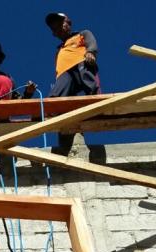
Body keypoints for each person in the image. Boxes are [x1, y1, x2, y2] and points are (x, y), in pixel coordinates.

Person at [45, 12, 100, 150]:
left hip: (81, 64)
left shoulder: (81, 34)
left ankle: (93, 96)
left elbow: (91, 41)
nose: (58, 29)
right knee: (61, 86)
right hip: (65, 72)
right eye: (54, 28)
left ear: (67, 23)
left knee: (85, 73)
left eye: (60, 24)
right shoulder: (59, 49)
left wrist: (91, 52)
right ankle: (54, 106)